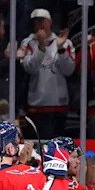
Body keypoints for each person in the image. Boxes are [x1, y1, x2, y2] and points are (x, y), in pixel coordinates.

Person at [18, 8, 74, 139]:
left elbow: (69, 70)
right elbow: (30, 68)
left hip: (59, 103)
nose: (39, 25)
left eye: (42, 21)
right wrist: (41, 48)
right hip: (37, 103)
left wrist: (60, 49)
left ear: (50, 22)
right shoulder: (28, 43)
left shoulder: (65, 42)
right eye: (36, 22)